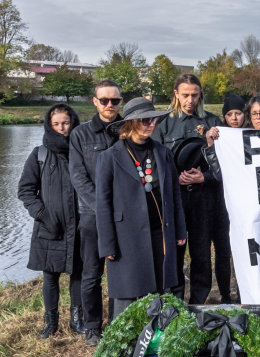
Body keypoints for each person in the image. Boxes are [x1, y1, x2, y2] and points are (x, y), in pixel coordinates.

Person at [96, 98, 187, 318]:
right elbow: (102, 202)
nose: (151, 124)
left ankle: (158, 338)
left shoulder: (163, 152)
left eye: (154, 119)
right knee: (126, 294)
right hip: (125, 235)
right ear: (130, 123)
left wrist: (180, 229)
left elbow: (174, 193)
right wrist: (107, 243)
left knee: (161, 287)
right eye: (145, 120)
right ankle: (123, 346)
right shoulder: (109, 157)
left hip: (160, 232)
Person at [154, 74, 232, 304]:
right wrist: (173, 180)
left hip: (204, 197)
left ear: (200, 94)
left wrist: (204, 178)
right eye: (185, 95)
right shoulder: (162, 124)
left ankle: (198, 299)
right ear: (176, 94)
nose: (190, 100)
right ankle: (174, 299)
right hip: (175, 198)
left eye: (195, 95)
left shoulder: (211, 121)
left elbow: (223, 163)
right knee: (175, 250)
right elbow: (156, 161)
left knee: (201, 252)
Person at [18, 103, 83, 339]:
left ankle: (77, 320)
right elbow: (25, 190)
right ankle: (51, 323)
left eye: (65, 122)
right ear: (49, 125)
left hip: (79, 226)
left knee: (78, 273)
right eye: (56, 124)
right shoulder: (40, 154)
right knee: (50, 276)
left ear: (73, 122)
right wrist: (44, 215)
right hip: (50, 227)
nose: (61, 128)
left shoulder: (82, 151)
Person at [69, 80, 123, 345]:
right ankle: (93, 326)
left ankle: (116, 323)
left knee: (119, 272)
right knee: (91, 273)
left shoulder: (129, 129)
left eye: (115, 101)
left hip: (124, 216)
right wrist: (103, 209)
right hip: (92, 216)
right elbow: (78, 177)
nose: (110, 105)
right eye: (105, 100)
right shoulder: (80, 135)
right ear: (95, 101)